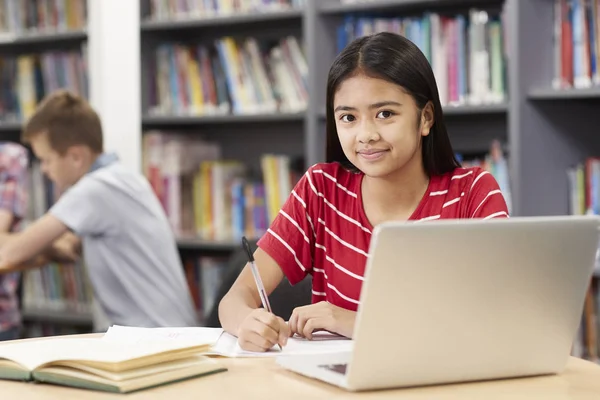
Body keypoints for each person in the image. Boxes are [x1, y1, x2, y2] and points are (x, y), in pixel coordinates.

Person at [218, 32, 510, 352]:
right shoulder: (321, 190)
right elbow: (235, 298)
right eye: (348, 118)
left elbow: (496, 317)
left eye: (385, 114)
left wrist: (357, 322)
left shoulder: (473, 193)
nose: (366, 135)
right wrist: (247, 321)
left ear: (425, 117)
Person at [0, 90, 198, 328]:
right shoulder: (122, 178)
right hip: (169, 331)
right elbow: (68, 247)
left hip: (157, 340)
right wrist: (42, 247)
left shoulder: (95, 190)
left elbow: (9, 254)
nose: (43, 169)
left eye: (46, 159)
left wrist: (25, 244)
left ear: (76, 157)